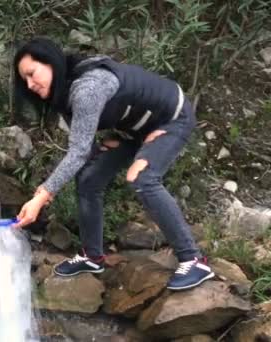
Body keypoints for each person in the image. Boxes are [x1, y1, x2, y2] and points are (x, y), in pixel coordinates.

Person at [11, 37, 214, 290]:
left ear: (51, 63)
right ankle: (92, 257)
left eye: (32, 74)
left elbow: (77, 152)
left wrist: (40, 197)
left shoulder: (87, 88)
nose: (30, 85)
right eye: (25, 81)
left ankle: (194, 260)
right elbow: (83, 149)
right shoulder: (63, 93)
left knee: (142, 177)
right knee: (88, 179)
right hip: (132, 128)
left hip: (171, 119)